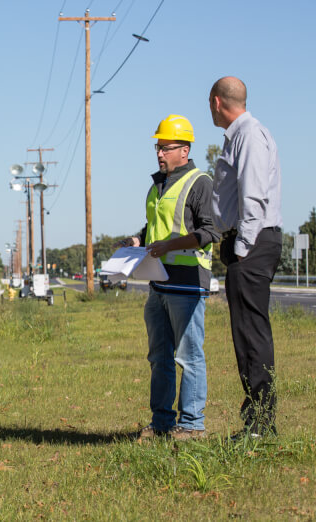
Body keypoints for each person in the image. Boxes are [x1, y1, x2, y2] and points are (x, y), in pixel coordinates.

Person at [121, 114, 220, 442]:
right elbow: (153, 229)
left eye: (166, 147)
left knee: (189, 356)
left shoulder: (200, 183)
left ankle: (192, 425)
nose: (160, 153)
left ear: (185, 150)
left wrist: (168, 246)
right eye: (158, 147)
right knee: (159, 357)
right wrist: (138, 241)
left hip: (188, 283)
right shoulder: (157, 186)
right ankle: (162, 422)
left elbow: (208, 232)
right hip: (158, 285)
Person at [209, 76, 282, 438]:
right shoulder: (239, 135)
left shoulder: (249, 135)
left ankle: (261, 424)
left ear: (216, 102)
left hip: (252, 243)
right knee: (246, 333)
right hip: (246, 242)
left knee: (252, 334)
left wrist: (241, 249)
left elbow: (253, 198)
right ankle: (257, 417)